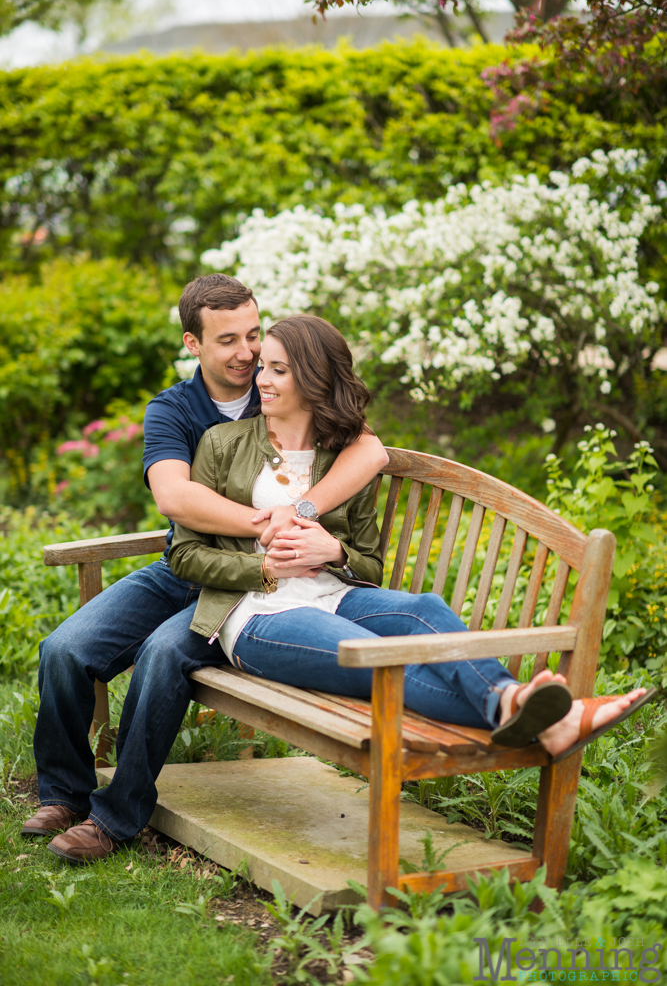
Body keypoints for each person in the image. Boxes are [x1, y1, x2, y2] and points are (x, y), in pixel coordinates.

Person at [167, 314, 650, 763]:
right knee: (379, 659)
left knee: (425, 609)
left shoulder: (342, 458)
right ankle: (539, 710)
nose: (261, 379)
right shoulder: (222, 444)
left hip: (333, 598)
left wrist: (335, 552)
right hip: (257, 616)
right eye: (264, 368)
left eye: (278, 370)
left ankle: (517, 704)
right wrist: (267, 569)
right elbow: (185, 556)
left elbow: (370, 568)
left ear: (314, 380)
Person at [22, 276, 389, 864]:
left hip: (258, 588)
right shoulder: (174, 409)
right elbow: (175, 498)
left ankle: (117, 818)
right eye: (228, 341)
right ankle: (65, 794)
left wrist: (299, 515)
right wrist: (266, 522)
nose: (248, 354)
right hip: (186, 569)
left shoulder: (282, 383)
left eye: (253, 335)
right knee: (64, 649)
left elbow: (370, 451)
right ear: (193, 343)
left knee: (165, 655)